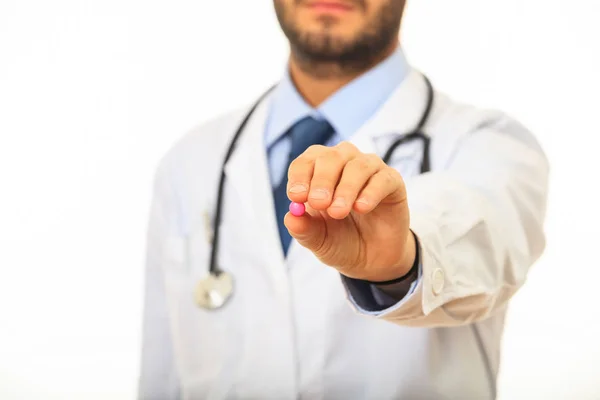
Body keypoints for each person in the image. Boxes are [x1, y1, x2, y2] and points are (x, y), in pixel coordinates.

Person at [138, 0, 549, 398]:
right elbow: (162, 376)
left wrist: (399, 263)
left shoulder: (491, 144)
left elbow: (486, 233)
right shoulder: (188, 163)